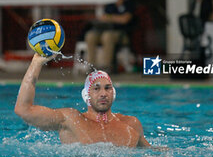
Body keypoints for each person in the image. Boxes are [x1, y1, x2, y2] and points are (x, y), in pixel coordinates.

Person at [14, 53, 151, 147]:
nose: (103, 93)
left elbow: (152, 154)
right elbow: (23, 109)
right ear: (86, 95)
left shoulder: (131, 124)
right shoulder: (70, 119)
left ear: (113, 93)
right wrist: (36, 63)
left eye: (107, 88)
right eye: (96, 89)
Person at [85, 0, 134, 72]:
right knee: (90, 35)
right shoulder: (110, 6)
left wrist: (110, 18)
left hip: (122, 34)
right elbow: (102, 18)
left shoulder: (129, 5)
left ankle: (107, 66)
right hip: (105, 31)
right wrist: (116, 18)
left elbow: (125, 20)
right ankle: (91, 65)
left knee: (107, 36)